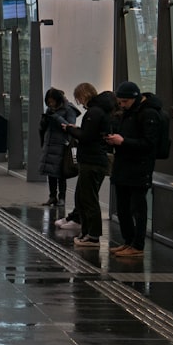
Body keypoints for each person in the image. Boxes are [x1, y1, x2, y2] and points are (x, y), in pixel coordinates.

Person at [105, 80, 163, 258]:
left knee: (138, 207)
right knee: (122, 207)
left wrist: (123, 141)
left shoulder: (148, 114)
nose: (122, 105)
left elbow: (149, 144)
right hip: (124, 166)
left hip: (139, 167)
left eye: (125, 102)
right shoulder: (128, 114)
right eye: (120, 102)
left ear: (135, 99)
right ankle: (128, 241)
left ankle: (137, 245)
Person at [61, 83, 117, 247]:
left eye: (78, 99)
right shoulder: (100, 111)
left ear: (83, 95)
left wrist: (70, 130)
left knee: (88, 198)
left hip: (91, 161)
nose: (79, 103)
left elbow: (86, 136)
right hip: (93, 160)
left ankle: (92, 235)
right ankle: (87, 232)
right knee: (84, 197)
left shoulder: (94, 112)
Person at [37, 87, 80, 207]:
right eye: (48, 102)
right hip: (50, 143)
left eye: (52, 101)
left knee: (61, 172)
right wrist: (44, 120)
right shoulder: (50, 109)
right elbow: (43, 127)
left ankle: (62, 197)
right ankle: (52, 196)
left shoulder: (69, 109)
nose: (50, 104)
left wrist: (55, 116)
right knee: (51, 172)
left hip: (62, 144)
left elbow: (70, 126)